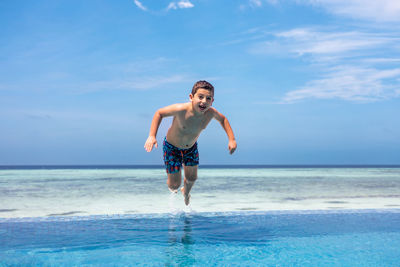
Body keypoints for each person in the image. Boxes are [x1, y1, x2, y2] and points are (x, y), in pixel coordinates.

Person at [144, 80, 237, 205]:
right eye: (200, 97)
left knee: (192, 178)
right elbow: (159, 113)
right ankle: (174, 184)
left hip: (191, 148)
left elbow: (223, 119)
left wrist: (232, 139)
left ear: (212, 101)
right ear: (191, 97)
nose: (204, 101)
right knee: (174, 185)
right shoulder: (181, 109)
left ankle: (186, 192)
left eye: (208, 98)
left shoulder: (211, 113)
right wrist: (152, 136)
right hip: (172, 148)